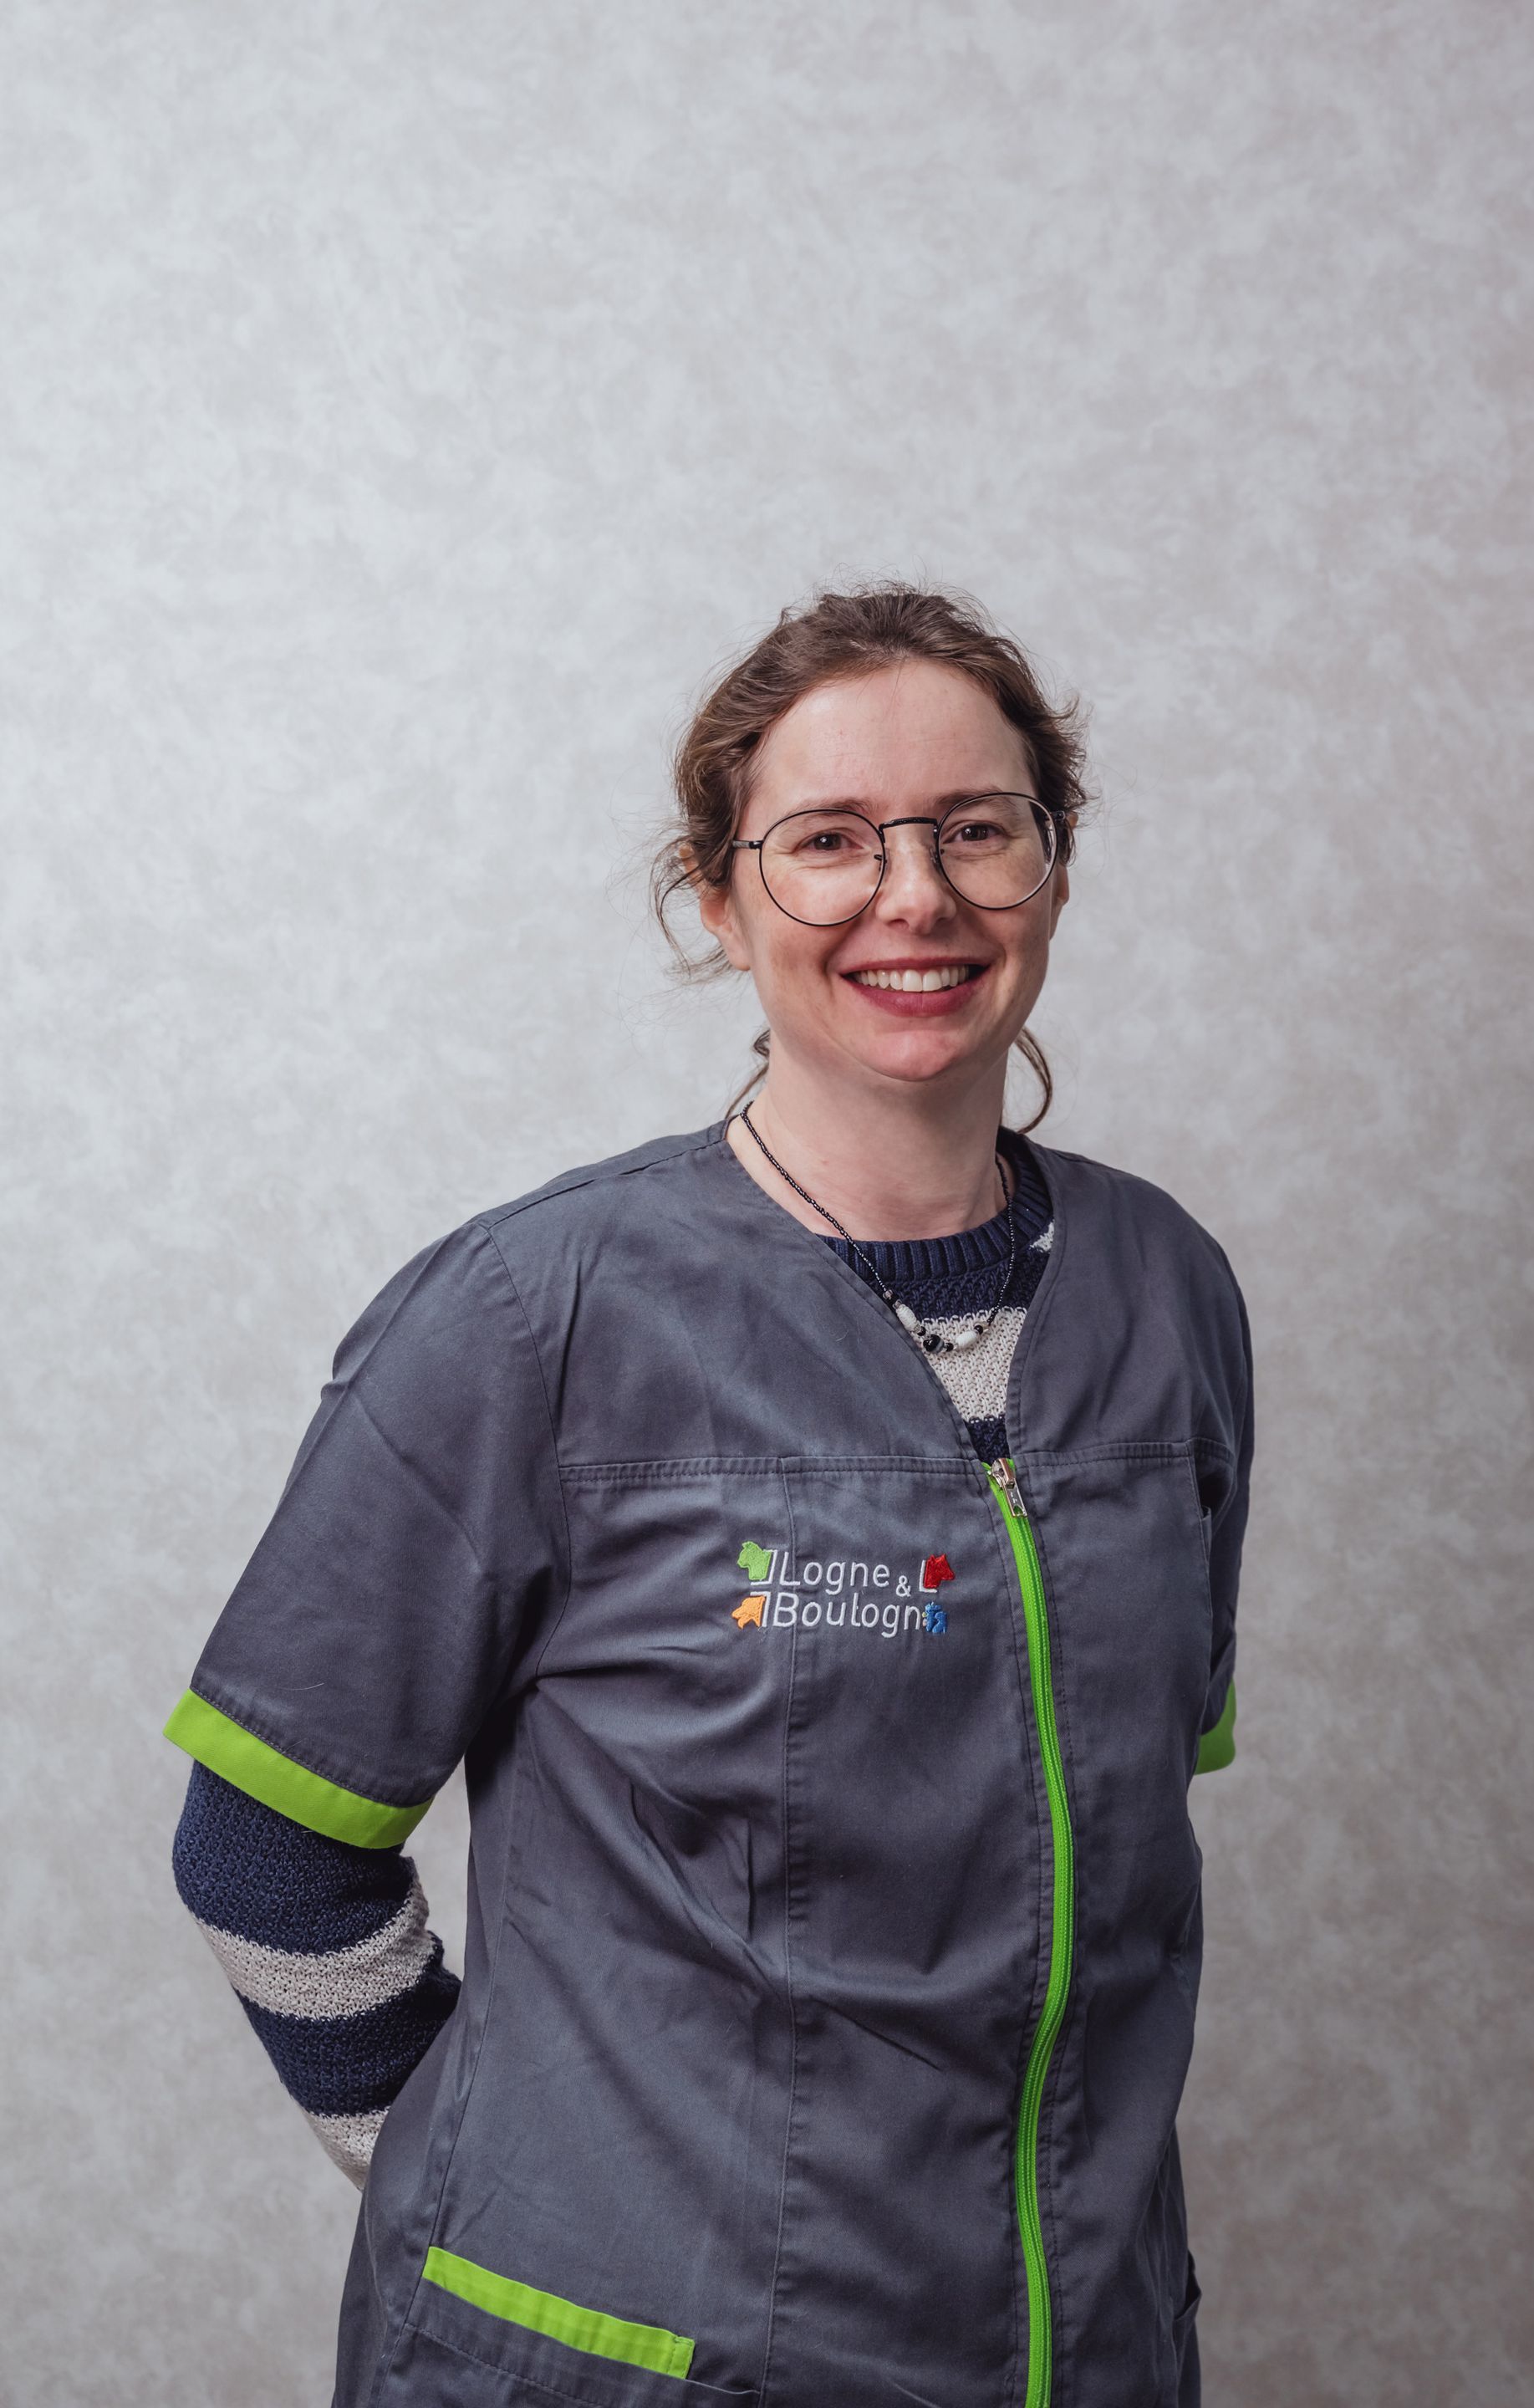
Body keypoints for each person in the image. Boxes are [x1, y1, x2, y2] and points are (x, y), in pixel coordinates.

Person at [166, 584, 1251, 2408]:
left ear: (1052, 870)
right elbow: (263, 1851)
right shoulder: (534, 1314)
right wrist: (493, 2182)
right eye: (829, 841)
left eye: (976, 828)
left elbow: (1104, 1833)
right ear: (720, 898)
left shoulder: (1172, 1295)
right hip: (629, 2362)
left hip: (1081, 2350)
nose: (915, 895)